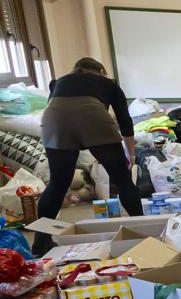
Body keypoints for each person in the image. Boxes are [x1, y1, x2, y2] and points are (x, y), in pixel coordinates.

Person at [32, 57, 143, 255]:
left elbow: (57, 108)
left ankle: (41, 243)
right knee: (122, 179)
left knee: (57, 183)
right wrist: (131, 154)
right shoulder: (109, 84)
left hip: (54, 119)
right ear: (100, 71)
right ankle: (143, 233)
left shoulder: (57, 82)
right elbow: (125, 121)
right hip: (93, 116)